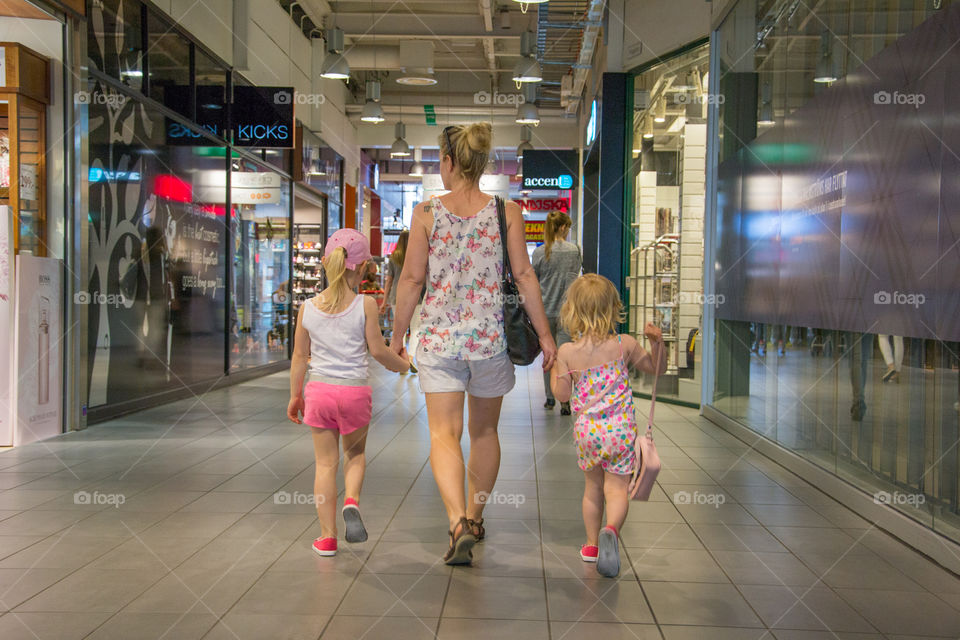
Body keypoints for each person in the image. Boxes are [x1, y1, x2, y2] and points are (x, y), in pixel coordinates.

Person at [389, 122, 557, 565]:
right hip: (490, 342)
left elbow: (411, 279)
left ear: (448, 162)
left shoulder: (425, 213)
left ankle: (455, 520)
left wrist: (396, 334)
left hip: (440, 342)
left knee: (444, 434)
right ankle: (476, 517)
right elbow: (524, 277)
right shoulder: (508, 212)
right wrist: (545, 335)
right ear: (481, 163)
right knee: (484, 432)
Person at [287, 229, 409, 557]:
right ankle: (351, 501)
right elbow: (378, 351)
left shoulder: (307, 308)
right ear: (363, 267)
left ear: (326, 262)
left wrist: (295, 395)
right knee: (354, 455)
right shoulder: (365, 305)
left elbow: (299, 356)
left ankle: (327, 538)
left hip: (320, 393)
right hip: (354, 393)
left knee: (325, 465)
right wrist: (403, 365)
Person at [550, 274, 666, 578]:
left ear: (572, 310)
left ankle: (591, 545)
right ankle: (611, 531)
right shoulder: (624, 344)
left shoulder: (567, 353)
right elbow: (656, 370)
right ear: (614, 308)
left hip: (588, 433)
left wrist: (553, 372)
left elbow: (562, 395)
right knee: (616, 491)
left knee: (592, 489)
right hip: (621, 431)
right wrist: (658, 344)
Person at [532, 210, 581, 414]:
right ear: (562, 227)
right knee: (565, 358)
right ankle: (565, 401)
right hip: (567, 312)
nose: (568, 231)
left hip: (544, 311)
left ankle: (550, 398)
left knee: (548, 356)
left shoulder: (539, 252)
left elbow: (532, 281)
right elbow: (576, 276)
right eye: (568, 227)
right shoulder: (574, 250)